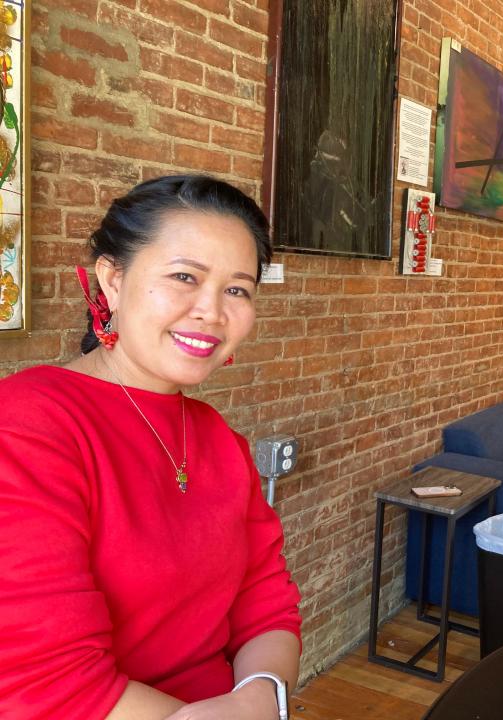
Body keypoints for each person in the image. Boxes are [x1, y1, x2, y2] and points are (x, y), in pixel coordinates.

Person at [0, 175, 302, 718]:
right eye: (185, 276)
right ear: (112, 281)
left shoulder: (220, 440)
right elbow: (48, 680)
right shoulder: (26, 425)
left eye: (238, 289)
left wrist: (263, 693)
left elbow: (267, 603)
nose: (212, 311)